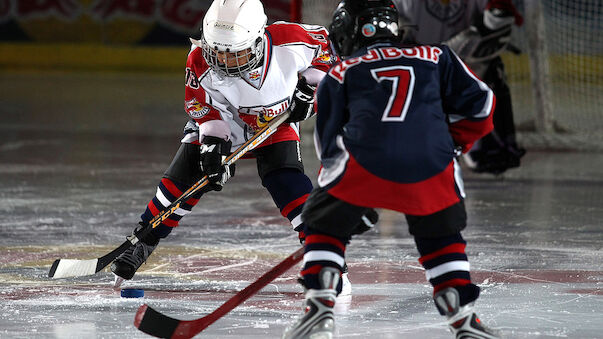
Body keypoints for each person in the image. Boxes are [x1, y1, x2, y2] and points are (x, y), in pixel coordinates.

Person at [283, 0, 502, 338]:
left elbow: (329, 151)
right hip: (433, 164)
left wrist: (347, 207)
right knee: (442, 238)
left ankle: (319, 309)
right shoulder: (438, 56)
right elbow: (483, 106)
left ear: (350, 31)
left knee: (321, 224)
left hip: (363, 166)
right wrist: (453, 145)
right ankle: (463, 318)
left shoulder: (340, 72)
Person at [109, 0, 353, 294]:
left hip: (276, 121)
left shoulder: (292, 40)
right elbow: (203, 107)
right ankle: (143, 243)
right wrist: (213, 144)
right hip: (228, 121)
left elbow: (329, 53)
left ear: (259, 38)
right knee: (180, 186)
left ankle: (327, 258)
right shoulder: (199, 58)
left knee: (288, 184)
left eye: (235, 54)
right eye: (218, 53)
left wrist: (311, 87)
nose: (224, 62)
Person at [393, 0, 526, 175]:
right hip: (411, 64)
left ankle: (480, 144)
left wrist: (475, 37)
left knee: (491, 71)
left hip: (463, 64)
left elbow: (503, 14)